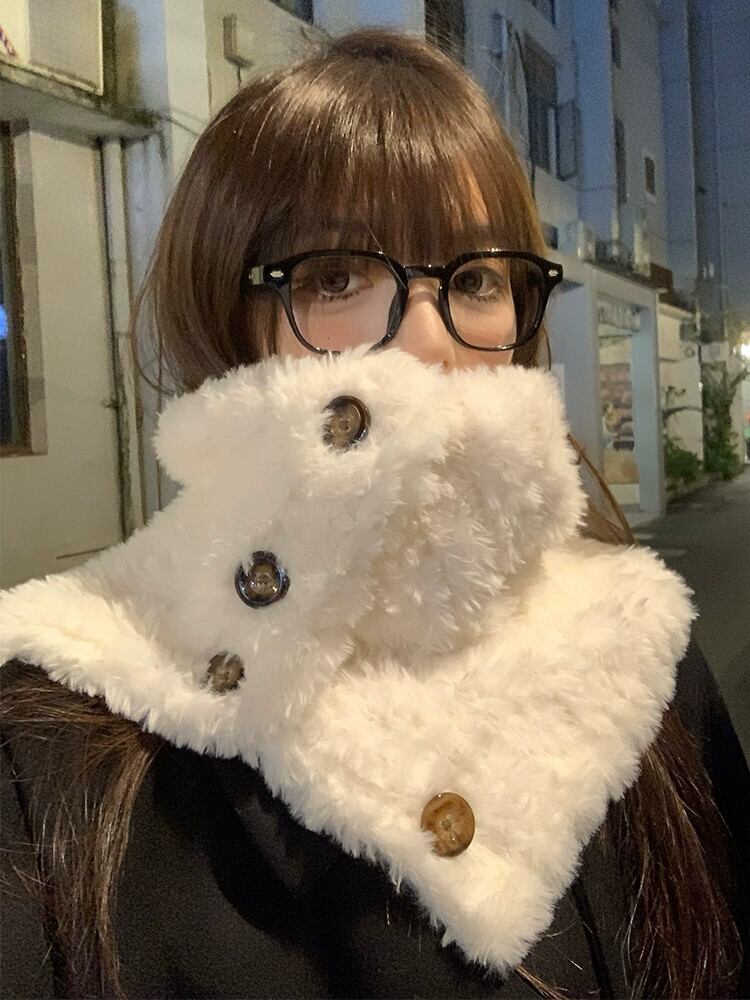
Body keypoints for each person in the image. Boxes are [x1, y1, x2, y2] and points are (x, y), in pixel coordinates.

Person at [1, 28, 748, 1000]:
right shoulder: (62, 729)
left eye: (475, 280)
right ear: (225, 321)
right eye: (337, 276)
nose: (430, 341)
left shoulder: (633, 651)